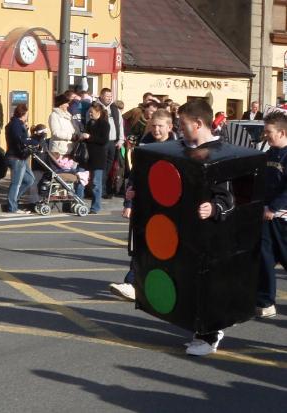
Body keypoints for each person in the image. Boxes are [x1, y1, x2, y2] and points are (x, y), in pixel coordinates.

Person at [178, 99, 235, 356]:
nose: (180, 129)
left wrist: (214, 208)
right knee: (194, 282)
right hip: (191, 230)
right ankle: (200, 331)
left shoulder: (219, 153)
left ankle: (211, 334)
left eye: (183, 124)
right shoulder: (185, 150)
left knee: (209, 282)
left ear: (199, 123)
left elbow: (229, 197)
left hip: (212, 232)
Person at [109, 109, 177, 301]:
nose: (156, 129)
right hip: (145, 205)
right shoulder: (145, 144)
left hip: (169, 208)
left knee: (166, 251)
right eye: (153, 125)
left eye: (160, 126)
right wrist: (129, 201)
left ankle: (164, 288)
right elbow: (136, 175)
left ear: (169, 127)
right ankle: (132, 283)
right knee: (140, 246)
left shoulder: (178, 148)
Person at [256, 111, 287, 319]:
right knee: (264, 257)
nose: (265, 135)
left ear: (282, 132)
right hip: (266, 215)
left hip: (282, 217)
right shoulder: (268, 154)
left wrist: (274, 208)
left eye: (269, 132)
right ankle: (266, 301)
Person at [76, 103, 110, 214]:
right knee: (80, 179)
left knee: (96, 183)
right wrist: (82, 137)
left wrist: (89, 137)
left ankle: (95, 207)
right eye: (89, 112)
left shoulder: (104, 124)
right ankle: (78, 204)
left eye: (92, 112)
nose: (90, 114)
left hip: (98, 157)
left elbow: (103, 140)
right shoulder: (89, 123)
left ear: (98, 112)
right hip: (86, 156)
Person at [93, 88, 125, 198]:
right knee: (101, 168)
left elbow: (120, 124)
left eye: (111, 96)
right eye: (107, 96)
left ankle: (106, 190)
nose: (109, 98)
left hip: (113, 142)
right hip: (100, 143)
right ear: (101, 96)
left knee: (110, 167)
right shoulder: (96, 107)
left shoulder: (114, 108)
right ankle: (100, 191)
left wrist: (121, 140)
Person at [5, 103, 35, 214]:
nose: (27, 116)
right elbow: (20, 140)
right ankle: (12, 206)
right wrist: (33, 140)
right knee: (16, 183)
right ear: (24, 114)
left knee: (30, 180)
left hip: (21, 157)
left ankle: (14, 200)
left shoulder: (18, 124)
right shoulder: (16, 125)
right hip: (16, 156)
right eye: (27, 113)